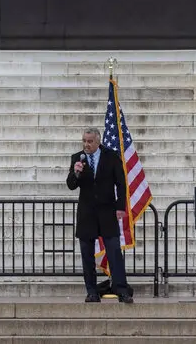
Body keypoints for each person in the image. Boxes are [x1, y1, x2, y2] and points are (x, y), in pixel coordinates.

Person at [66, 128, 134, 303]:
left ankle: (122, 290)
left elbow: (121, 183)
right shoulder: (77, 158)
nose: (86, 145)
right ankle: (91, 291)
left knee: (114, 252)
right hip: (86, 214)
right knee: (87, 255)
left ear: (98, 141)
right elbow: (71, 185)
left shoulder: (111, 156)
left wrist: (121, 207)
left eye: (89, 141)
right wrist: (76, 172)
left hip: (107, 212)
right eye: (84, 141)